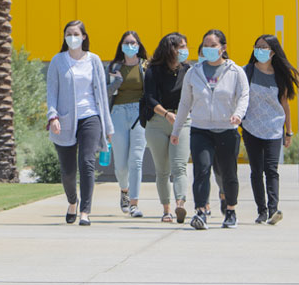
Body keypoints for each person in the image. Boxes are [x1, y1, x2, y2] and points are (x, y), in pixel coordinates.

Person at [172, 29, 249, 230]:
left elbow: (244, 96)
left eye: (213, 45)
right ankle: (201, 211)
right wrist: (176, 129)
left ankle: (231, 210)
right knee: (201, 170)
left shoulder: (235, 72)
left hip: (226, 129)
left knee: (228, 172)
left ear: (223, 48)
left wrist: (238, 115)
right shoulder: (194, 72)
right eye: (205, 45)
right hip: (200, 129)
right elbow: (184, 102)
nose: (208, 49)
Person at [45, 20, 116, 226]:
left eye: (76, 33)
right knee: (67, 171)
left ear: (84, 36)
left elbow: (102, 95)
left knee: (87, 162)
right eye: (68, 34)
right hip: (65, 120)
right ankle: (72, 202)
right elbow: (52, 92)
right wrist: (53, 116)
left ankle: (85, 211)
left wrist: (108, 127)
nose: (72, 37)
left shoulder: (94, 61)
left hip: (91, 117)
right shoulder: (58, 61)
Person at [241, 35, 299, 226]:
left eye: (264, 47)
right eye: (257, 46)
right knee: (256, 170)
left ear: (273, 52)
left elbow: (285, 104)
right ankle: (261, 210)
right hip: (251, 127)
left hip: (274, 128)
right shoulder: (247, 72)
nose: (260, 50)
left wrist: (289, 131)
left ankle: (273, 210)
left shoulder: (279, 75)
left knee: (271, 169)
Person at [140, 32, 192, 224]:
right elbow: (150, 98)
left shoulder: (188, 70)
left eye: (186, 46)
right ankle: (166, 210)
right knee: (162, 170)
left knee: (180, 166)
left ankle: (180, 205)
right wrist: (166, 114)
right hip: (158, 122)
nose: (185, 51)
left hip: (182, 120)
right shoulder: (153, 70)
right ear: (171, 49)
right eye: (181, 47)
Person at [106, 31, 149, 218]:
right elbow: (106, 93)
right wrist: (117, 82)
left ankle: (134, 203)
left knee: (136, 160)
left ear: (139, 45)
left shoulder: (145, 66)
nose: (130, 46)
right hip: (118, 114)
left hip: (139, 114)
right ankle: (124, 190)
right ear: (121, 45)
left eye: (133, 43)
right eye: (127, 43)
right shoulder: (115, 66)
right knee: (121, 165)